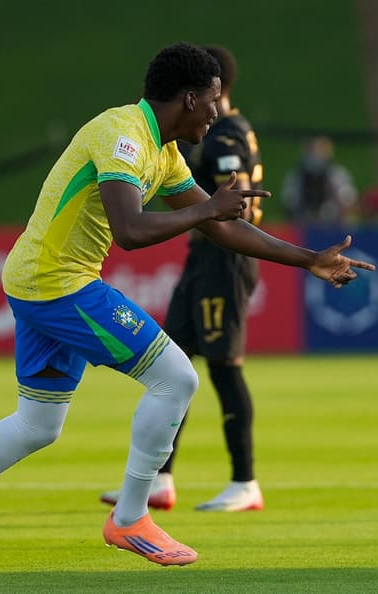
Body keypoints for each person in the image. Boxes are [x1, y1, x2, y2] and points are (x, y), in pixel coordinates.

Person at [0, 42, 375, 585]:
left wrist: (308, 261)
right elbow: (132, 231)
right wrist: (209, 206)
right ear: (189, 98)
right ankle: (130, 519)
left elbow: (219, 227)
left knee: (36, 426)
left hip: (39, 279)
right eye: (212, 100)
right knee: (177, 378)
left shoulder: (161, 149)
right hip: (56, 282)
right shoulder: (124, 137)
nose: (217, 110)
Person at [99, 46, 265, 513]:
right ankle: (160, 478)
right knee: (174, 365)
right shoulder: (206, 135)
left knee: (225, 367)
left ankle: (245, 480)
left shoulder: (226, 134)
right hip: (202, 257)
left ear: (214, 91)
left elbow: (237, 206)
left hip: (223, 261)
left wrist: (216, 209)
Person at [282, 135, 357, 225]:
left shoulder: (336, 174)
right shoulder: (297, 175)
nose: (317, 154)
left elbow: (347, 198)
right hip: (303, 221)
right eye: (314, 150)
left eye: (321, 150)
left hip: (331, 222)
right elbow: (289, 199)